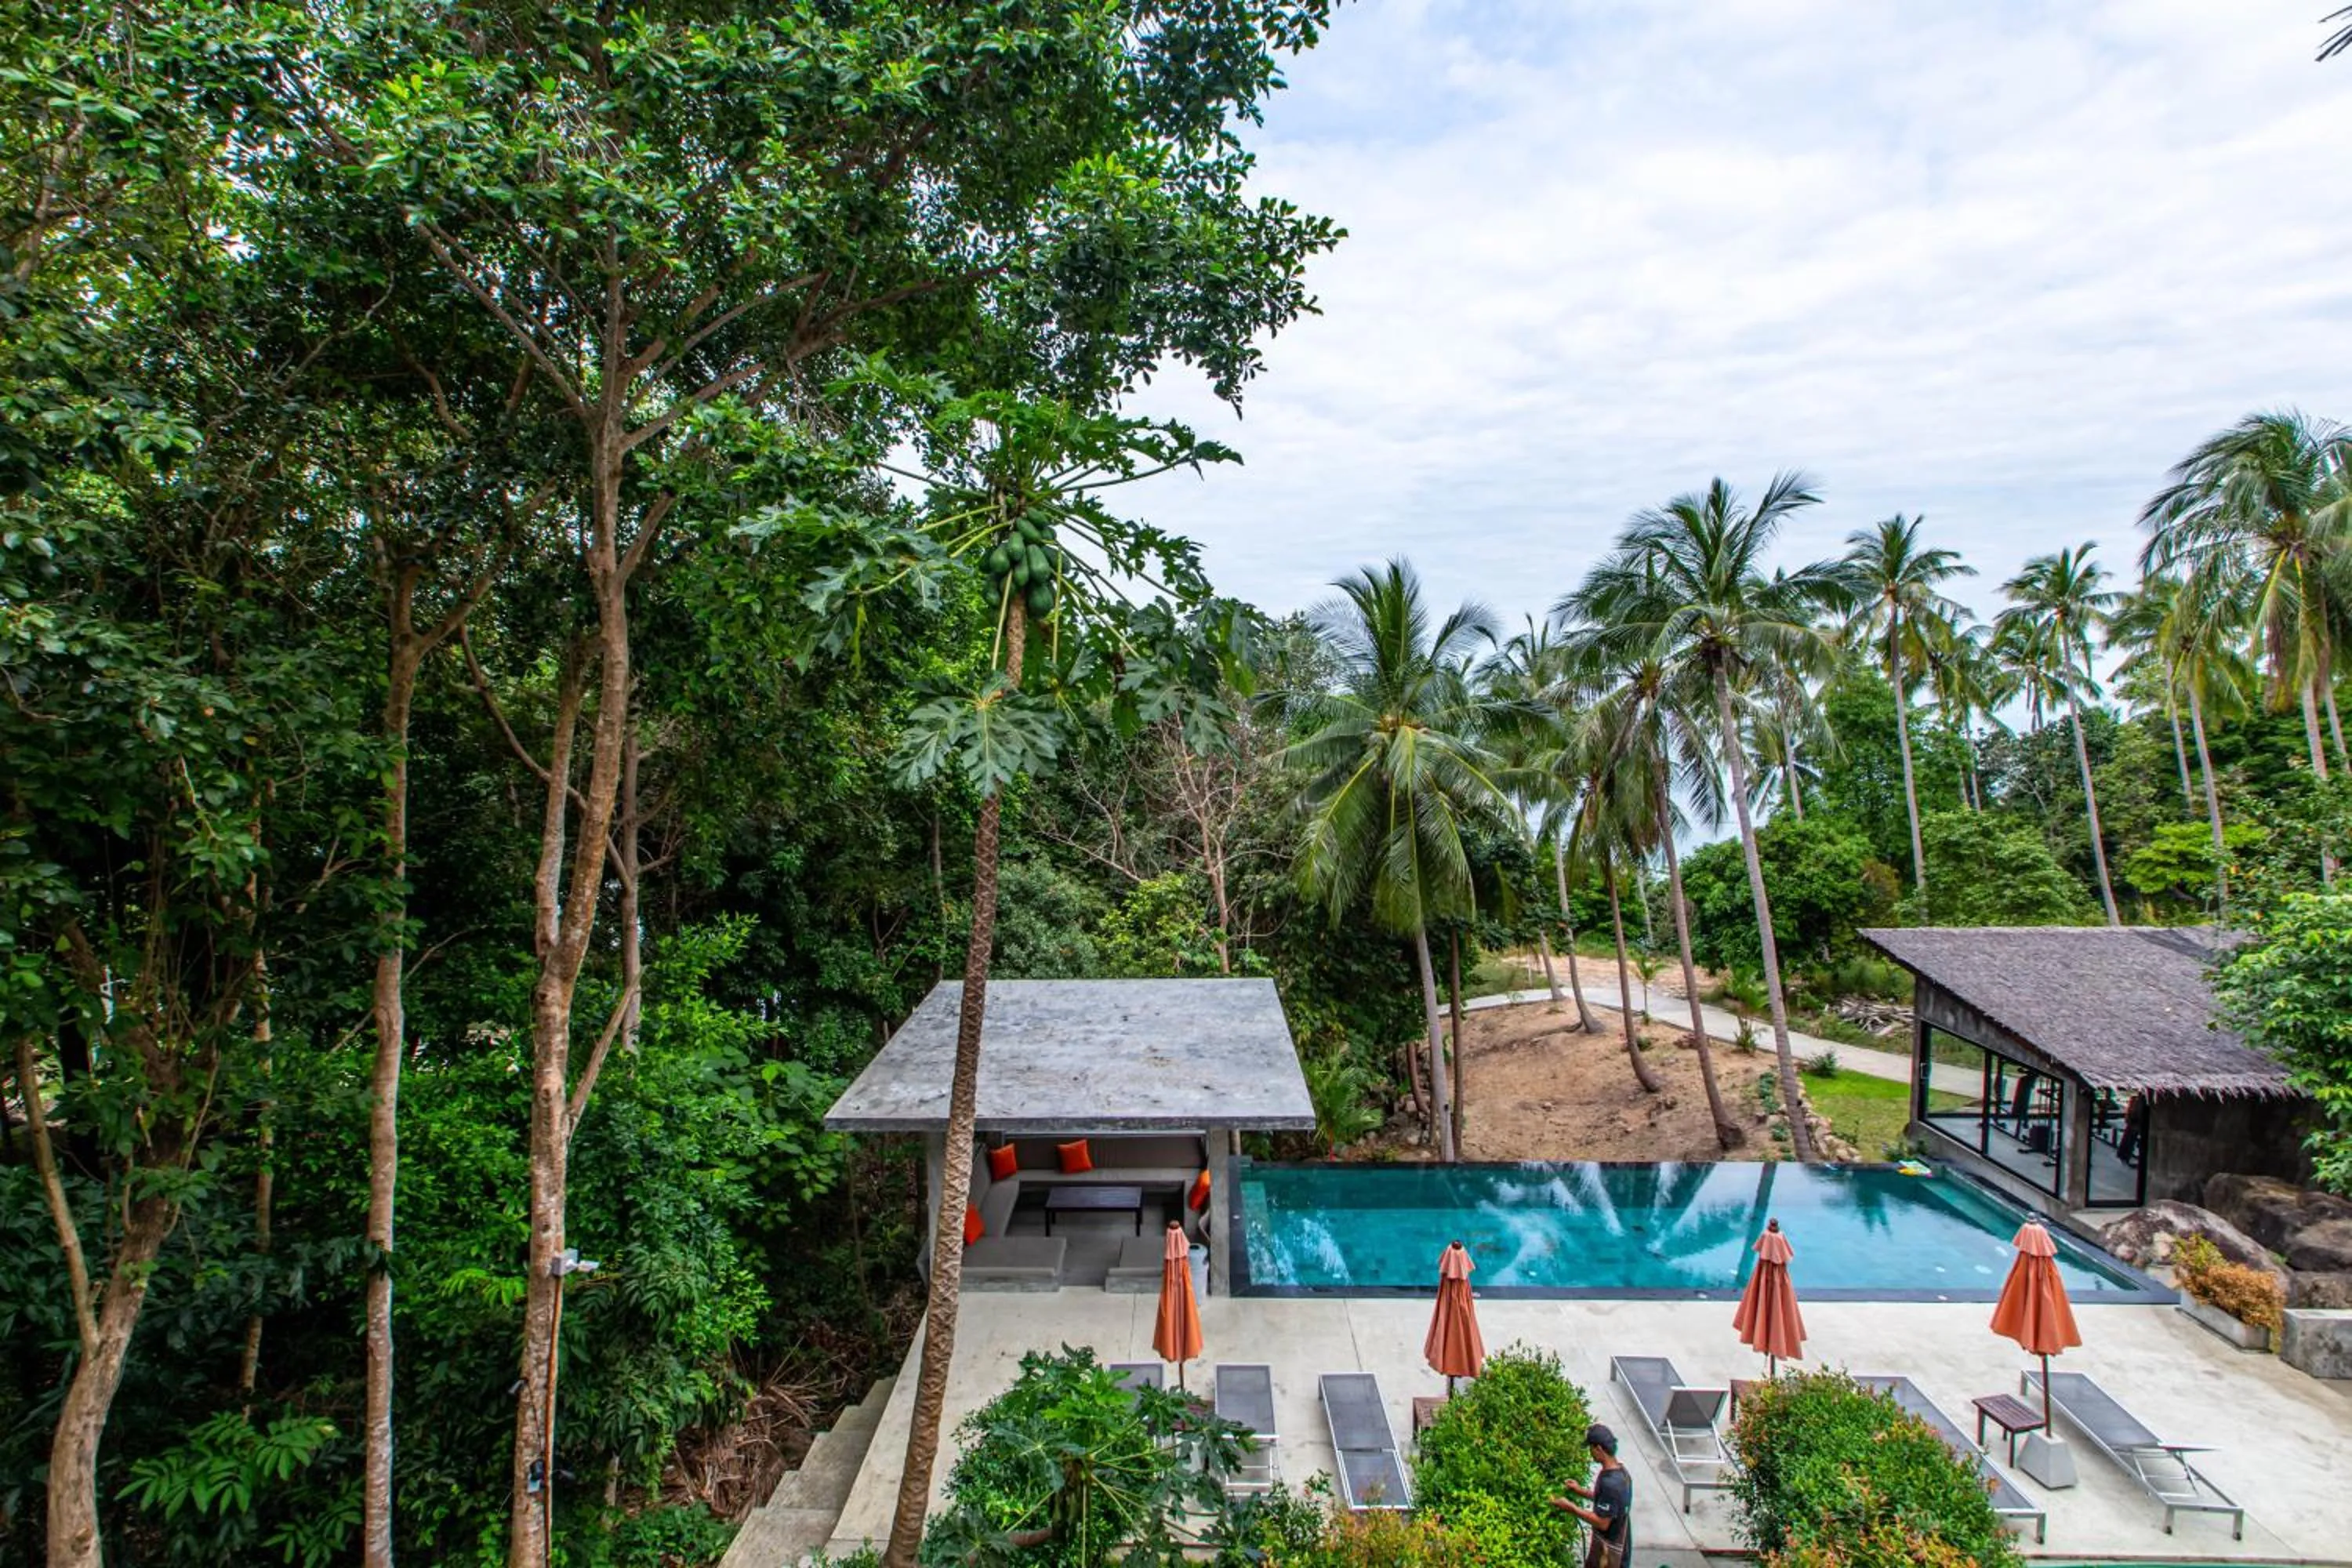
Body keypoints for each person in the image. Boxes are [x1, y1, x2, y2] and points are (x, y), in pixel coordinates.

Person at [1551, 1422, 1632, 1568]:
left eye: (1591, 1448)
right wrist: (1580, 1490)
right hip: (1621, 1545)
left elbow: (1602, 1522)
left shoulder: (1611, 1484)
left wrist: (1571, 1508)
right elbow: (1609, 1502)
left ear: (1599, 1449)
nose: (1590, 1453)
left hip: (1610, 1555)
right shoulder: (1622, 1473)